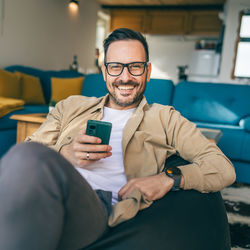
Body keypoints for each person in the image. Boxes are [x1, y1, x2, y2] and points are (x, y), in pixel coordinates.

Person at [0, 28, 236, 250]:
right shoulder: (70, 107)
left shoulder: (165, 118)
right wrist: (64, 154)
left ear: (148, 71)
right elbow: (27, 156)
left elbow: (222, 167)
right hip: (47, 191)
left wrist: (168, 178)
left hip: (97, 207)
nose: (125, 77)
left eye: (135, 67)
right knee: (24, 157)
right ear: (104, 71)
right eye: (115, 67)